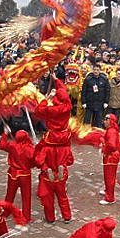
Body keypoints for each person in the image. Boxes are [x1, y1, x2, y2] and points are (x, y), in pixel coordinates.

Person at [34, 75, 74, 224]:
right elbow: (63, 91)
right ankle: (67, 216)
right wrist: (56, 80)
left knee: (49, 197)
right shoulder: (68, 106)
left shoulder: (52, 109)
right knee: (62, 195)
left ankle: (50, 218)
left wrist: (45, 98)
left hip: (52, 137)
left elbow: (39, 110)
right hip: (64, 136)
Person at [0, 129, 35, 223]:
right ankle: (26, 217)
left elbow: (1, 145)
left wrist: (5, 134)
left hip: (12, 173)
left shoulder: (11, 145)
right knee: (26, 196)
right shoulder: (30, 149)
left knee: (9, 195)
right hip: (25, 175)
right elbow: (34, 162)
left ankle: (6, 212)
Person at [99, 114, 120, 205]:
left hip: (111, 157)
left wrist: (103, 149)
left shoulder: (111, 131)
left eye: (106, 120)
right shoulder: (111, 130)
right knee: (108, 176)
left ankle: (110, 198)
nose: (104, 122)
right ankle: (107, 190)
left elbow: (111, 145)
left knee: (109, 177)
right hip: (110, 156)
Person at [81, 63, 110, 128]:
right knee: (87, 119)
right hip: (89, 102)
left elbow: (107, 91)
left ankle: (99, 133)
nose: (96, 71)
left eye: (97, 70)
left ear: (100, 70)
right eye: (94, 70)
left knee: (99, 120)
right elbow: (84, 91)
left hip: (100, 102)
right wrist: (84, 102)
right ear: (92, 70)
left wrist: (106, 101)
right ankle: (85, 132)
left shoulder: (104, 79)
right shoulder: (88, 79)